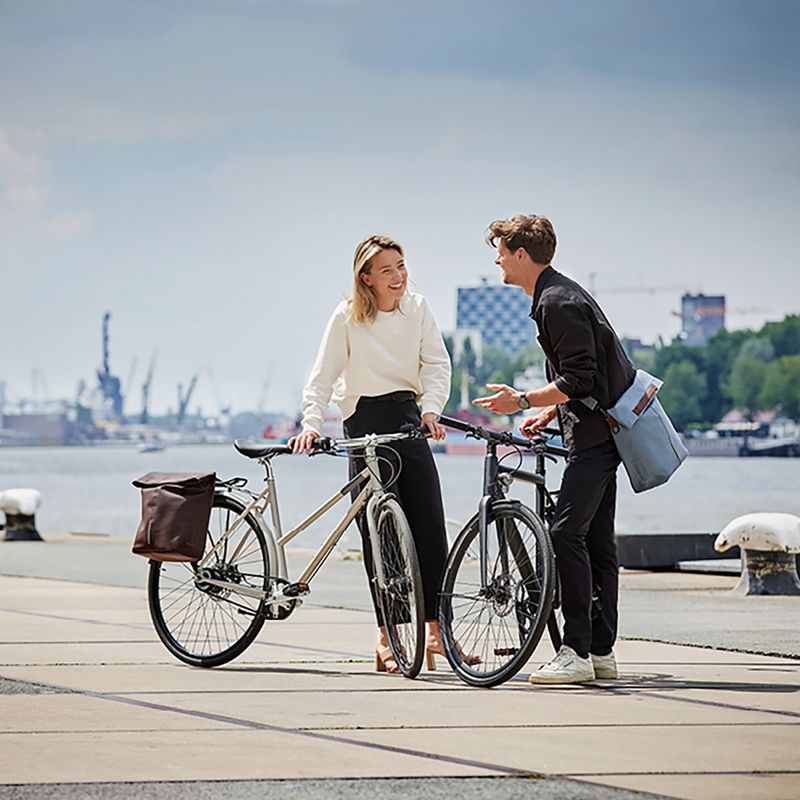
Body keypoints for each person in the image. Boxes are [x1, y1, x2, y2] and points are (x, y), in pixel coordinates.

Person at [473, 214, 635, 685]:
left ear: (521, 255)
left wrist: (523, 399)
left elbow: (579, 378)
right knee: (598, 542)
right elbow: (586, 379)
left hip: (595, 440)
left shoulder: (556, 302)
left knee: (566, 535)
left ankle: (575, 652)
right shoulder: (559, 293)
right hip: (601, 431)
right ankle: (601, 653)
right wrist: (550, 411)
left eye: (501, 252)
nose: (497, 260)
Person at [288, 234, 453, 673]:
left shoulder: (417, 309)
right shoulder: (346, 317)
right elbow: (322, 376)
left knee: (430, 526)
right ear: (366, 278)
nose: (398, 276)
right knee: (377, 537)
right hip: (362, 421)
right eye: (387, 270)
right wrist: (309, 425)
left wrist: (432, 410)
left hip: (407, 415)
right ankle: (387, 637)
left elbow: (436, 364)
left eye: (401, 266)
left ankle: (436, 631)